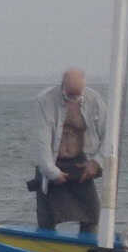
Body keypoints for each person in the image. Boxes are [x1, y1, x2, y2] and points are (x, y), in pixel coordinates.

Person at [29, 68, 106, 233]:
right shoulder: (44, 101)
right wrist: (52, 172)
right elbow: (41, 142)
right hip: (52, 161)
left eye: (77, 95)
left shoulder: (95, 100)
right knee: (47, 218)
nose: (73, 99)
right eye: (70, 95)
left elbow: (110, 136)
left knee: (92, 214)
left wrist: (97, 162)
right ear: (62, 85)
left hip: (80, 163)